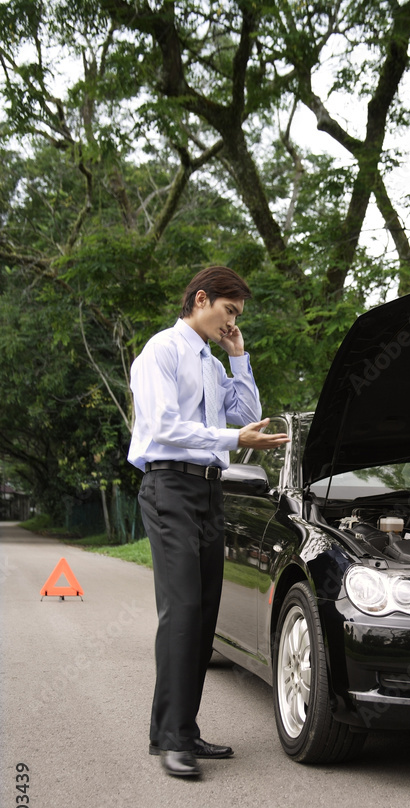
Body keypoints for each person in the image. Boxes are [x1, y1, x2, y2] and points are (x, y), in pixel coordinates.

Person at [128, 265, 289, 779]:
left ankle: (183, 730)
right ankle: (169, 739)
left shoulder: (213, 365)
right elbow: (163, 428)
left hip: (207, 488)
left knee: (204, 613)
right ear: (202, 299)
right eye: (229, 312)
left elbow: (247, 412)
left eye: (237, 317)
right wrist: (233, 440)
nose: (231, 322)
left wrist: (238, 357)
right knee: (183, 608)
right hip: (168, 485)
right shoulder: (163, 351)